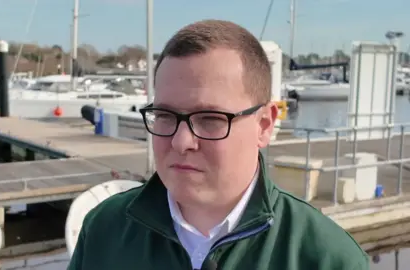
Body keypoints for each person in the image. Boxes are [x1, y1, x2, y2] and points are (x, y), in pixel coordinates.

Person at [68, 19, 369, 270]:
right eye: (164, 115)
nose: (181, 141)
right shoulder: (103, 230)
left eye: (210, 119)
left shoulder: (327, 259)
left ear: (264, 125)